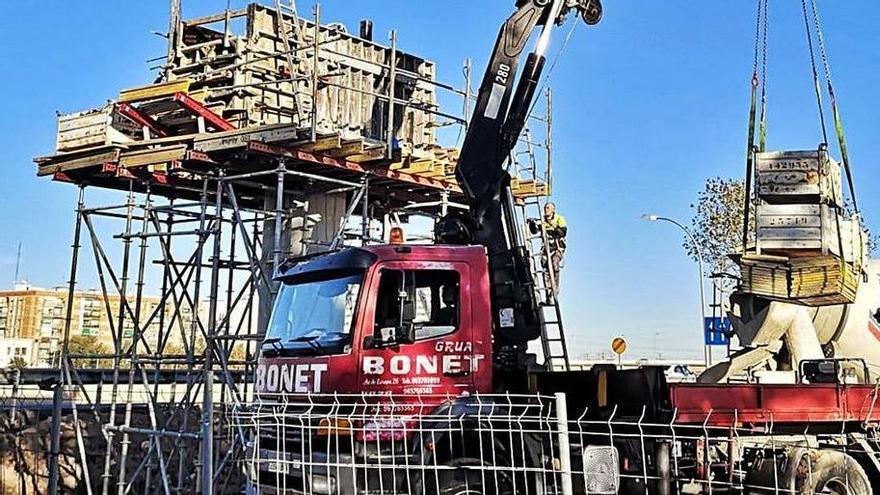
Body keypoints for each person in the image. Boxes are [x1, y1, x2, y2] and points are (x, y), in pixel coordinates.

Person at [528, 202, 568, 302]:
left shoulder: (559, 219)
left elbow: (563, 232)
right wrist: (532, 224)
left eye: (548, 208)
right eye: (545, 208)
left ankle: (555, 289)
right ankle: (548, 294)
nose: (546, 210)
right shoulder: (543, 221)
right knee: (545, 269)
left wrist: (552, 224)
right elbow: (535, 231)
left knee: (554, 264)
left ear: (553, 210)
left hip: (557, 248)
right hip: (546, 249)